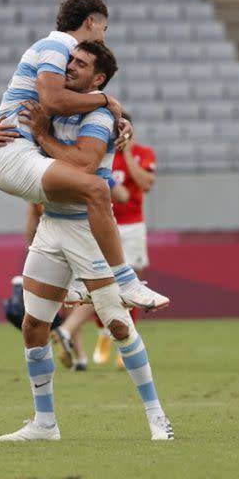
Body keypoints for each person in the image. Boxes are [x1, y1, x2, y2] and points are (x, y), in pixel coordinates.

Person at [0, 41, 173, 442]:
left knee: (117, 325)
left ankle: (157, 416)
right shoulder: (55, 105)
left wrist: (42, 133)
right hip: (51, 227)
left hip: (86, 229)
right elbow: (13, 144)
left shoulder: (98, 113)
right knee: (33, 325)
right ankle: (45, 424)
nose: (70, 66)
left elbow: (84, 165)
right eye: (70, 60)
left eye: (81, 64)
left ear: (99, 80)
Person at [0, 0, 168, 311]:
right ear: (91, 22)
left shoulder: (62, 58)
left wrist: (116, 117)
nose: (103, 36)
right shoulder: (57, 47)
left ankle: (66, 283)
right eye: (104, 29)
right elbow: (53, 102)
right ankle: (125, 281)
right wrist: (107, 101)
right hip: (15, 154)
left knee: (72, 202)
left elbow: (49, 106)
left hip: (18, 152)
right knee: (96, 188)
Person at [92, 112, 157, 368]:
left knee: (132, 287)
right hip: (104, 225)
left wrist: (128, 153)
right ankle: (104, 335)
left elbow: (146, 184)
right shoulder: (101, 155)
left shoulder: (143, 152)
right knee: (102, 284)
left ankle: (127, 341)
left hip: (133, 226)